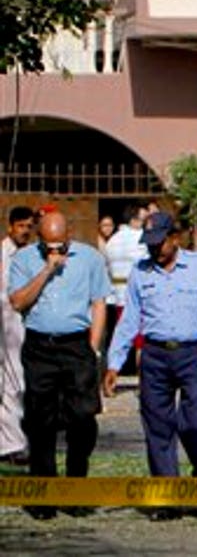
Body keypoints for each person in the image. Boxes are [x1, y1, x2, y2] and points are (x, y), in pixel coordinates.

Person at [103, 211, 197, 521]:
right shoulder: (140, 271)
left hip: (192, 353)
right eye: (148, 244)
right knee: (158, 427)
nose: (153, 250)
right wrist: (113, 363)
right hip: (155, 356)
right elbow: (129, 320)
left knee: (195, 423)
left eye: (158, 243)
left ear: (174, 239)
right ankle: (167, 496)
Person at [7, 211, 111, 519]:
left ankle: (76, 488)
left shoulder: (90, 259)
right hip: (40, 346)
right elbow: (17, 302)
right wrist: (47, 271)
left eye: (60, 246)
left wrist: (93, 348)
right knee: (41, 422)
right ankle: (44, 494)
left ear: (69, 237)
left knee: (82, 417)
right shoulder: (24, 259)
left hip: (76, 345)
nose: (55, 252)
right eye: (48, 246)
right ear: (40, 239)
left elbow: (99, 302)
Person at [0, 206, 35, 465]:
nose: (25, 231)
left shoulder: (33, 255)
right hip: (6, 324)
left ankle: (18, 440)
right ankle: (12, 444)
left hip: (25, 326)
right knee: (8, 384)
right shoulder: (3, 254)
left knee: (22, 384)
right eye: (21, 226)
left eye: (28, 226)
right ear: (10, 226)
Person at [104, 203, 149, 374]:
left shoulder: (112, 241)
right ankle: (144, 378)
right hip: (140, 297)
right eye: (143, 219)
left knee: (121, 339)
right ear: (134, 220)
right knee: (142, 343)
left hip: (119, 296)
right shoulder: (141, 239)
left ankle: (111, 375)